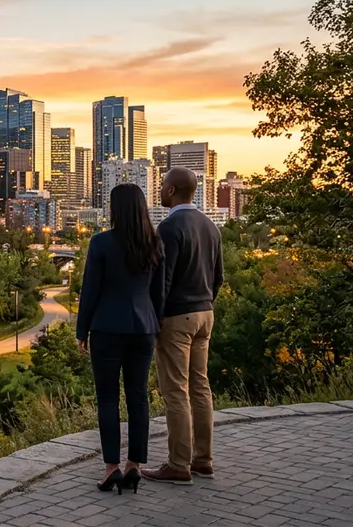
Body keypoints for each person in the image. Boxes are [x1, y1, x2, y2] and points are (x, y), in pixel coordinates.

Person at [76, 183, 164, 495]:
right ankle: (135, 466)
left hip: (106, 329)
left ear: (115, 209)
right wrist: (156, 325)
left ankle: (111, 467)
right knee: (139, 397)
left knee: (108, 399)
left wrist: (81, 331)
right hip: (144, 330)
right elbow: (158, 293)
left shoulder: (101, 243)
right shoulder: (154, 243)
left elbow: (90, 292)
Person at [142, 166, 225, 485]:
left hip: (177, 318)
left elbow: (162, 280)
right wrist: (206, 302)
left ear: (173, 190)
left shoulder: (169, 227)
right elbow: (218, 277)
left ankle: (179, 464)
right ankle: (203, 460)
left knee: (175, 390)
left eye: (162, 186)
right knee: (200, 386)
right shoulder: (211, 227)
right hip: (205, 314)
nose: (159, 190)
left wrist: (154, 320)